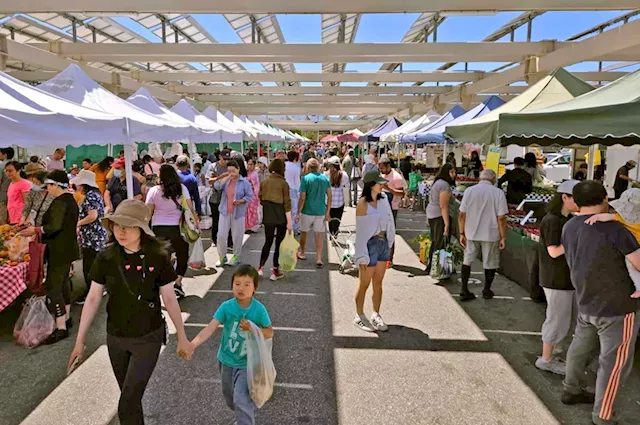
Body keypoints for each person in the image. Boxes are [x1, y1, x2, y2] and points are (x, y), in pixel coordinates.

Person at [68, 200, 191, 425]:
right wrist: (80, 340)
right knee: (131, 401)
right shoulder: (106, 256)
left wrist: (182, 336)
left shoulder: (158, 255)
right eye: (117, 225)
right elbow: (93, 297)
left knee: (128, 400)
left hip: (148, 337)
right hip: (116, 336)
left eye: (128, 226)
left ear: (142, 229)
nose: (121, 231)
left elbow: (170, 298)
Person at [560, 180, 640, 425]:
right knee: (614, 363)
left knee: (579, 348)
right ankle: (603, 415)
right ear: (604, 199)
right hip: (619, 308)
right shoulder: (616, 230)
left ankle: (570, 388)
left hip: (586, 301)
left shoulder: (569, 227)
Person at [186, 265, 273, 425]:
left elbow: (269, 332)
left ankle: (244, 419)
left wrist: (253, 329)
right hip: (226, 361)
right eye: (237, 283)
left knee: (241, 399)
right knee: (230, 397)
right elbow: (210, 327)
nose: (241, 288)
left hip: (247, 364)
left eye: (247, 284)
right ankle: (242, 413)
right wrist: (193, 344)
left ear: (255, 288)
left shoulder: (259, 310)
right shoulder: (227, 307)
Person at [20, 170, 79, 344]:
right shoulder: (69, 199)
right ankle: (66, 318)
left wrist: (36, 230)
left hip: (59, 249)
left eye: (49, 185)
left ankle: (60, 328)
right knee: (63, 285)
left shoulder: (60, 202)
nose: (47, 188)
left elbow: (53, 226)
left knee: (54, 286)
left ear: (55, 185)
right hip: (67, 249)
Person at [535, 180, 580, 376]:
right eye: (577, 199)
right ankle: (546, 360)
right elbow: (553, 251)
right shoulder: (552, 220)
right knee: (556, 319)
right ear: (564, 197)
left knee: (563, 319)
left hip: (565, 278)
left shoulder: (566, 218)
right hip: (556, 278)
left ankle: (553, 355)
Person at [146, 164, 198, 299]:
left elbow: (148, 213)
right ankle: (178, 283)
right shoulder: (182, 189)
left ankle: (163, 285)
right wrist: (195, 222)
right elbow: (190, 208)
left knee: (163, 258)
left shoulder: (153, 191)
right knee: (182, 253)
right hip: (176, 229)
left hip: (158, 229)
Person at [353, 171, 396, 332]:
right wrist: (361, 254)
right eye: (379, 183)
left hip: (383, 243)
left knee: (378, 282)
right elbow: (361, 231)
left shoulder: (384, 199)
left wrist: (390, 242)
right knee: (364, 283)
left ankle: (375, 313)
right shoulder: (363, 203)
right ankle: (359, 315)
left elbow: (390, 220)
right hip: (369, 244)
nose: (382, 185)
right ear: (371, 185)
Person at [458, 169, 508, 301]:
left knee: (467, 260)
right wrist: (503, 236)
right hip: (490, 233)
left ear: (480, 178)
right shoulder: (498, 193)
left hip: (471, 231)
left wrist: (461, 232)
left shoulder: (469, 191)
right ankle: (486, 290)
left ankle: (464, 289)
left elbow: (462, 214)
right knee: (490, 262)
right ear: (493, 179)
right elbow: (501, 217)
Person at [585, 188, 640, 298]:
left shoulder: (620, 217)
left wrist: (595, 217)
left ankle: (639, 287)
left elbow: (605, 217)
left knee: (631, 267)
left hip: (634, 247)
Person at [71, 170, 108, 305]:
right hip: (94, 235)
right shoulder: (94, 195)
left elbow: (92, 216)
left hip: (92, 236)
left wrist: (78, 223)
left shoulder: (90, 196)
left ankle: (92, 292)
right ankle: (98, 289)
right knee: (93, 264)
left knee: (90, 266)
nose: (77, 187)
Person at [258, 159, 293, 281]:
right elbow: (287, 204)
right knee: (278, 244)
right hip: (281, 217)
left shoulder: (264, 182)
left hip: (268, 216)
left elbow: (260, 199)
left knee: (267, 241)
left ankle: (260, 268)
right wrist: (290, 222)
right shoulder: (284, 184)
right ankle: (275, 271)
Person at [214, 159, 253, 267]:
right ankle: (222, 257)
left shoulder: (244, 182)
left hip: (238, 212)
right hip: (224, 211)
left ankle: (236, 256)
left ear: (238, 169)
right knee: (221, 235)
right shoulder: (226, 180)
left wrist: (241, 201)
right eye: (229, 170)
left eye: (233, 171)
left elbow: (250, 196)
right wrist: (226, 177)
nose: (232, 173)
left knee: (237, 236)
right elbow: (217, 186)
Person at [297, 158, 331, 268]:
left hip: (307, 210)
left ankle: (302, 252)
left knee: (304, 232)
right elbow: (330, 196)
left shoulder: (305, 179)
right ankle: (319, 257)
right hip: (320, 210)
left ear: (308, 167)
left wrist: (298, 212)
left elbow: (302, 197)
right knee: (319, 235)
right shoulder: (325, 179)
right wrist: (328, 211)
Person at [426, 163, 455, 273]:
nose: (454, 174)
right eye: (452, 172)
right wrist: (447, 224)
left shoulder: (438, 182)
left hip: (433, 214)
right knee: (439, 242)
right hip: (439, 216)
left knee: (435, 241)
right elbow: (443, 206)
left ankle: (433, 265)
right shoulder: (444, 185)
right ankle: (436, 267)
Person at [378, 156, 406, 268]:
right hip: (382, 206)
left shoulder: (396, 177)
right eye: (380, 169)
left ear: (388, 166)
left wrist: (388, 188)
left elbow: (401, 193)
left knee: (390, 232)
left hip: (392, 208)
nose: (381, 171)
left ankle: (390, 258)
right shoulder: (383, 175)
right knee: (381, 232)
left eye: (382, 169)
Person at [207, 150, 230, 243]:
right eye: (224, 159)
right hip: (215, 197)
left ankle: (229, 240)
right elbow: (209, 180)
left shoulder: (230, 167)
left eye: (228, 159)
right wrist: (220, 177)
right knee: (216, 220)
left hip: (227, 197)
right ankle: (214, 238)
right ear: (220, 157)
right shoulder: (213, 166)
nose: (226, 161)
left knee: (228, 220)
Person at [326, 156, 349, 238]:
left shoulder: (326, 175)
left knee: (330, 219)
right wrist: (347, 202)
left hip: (329, 202)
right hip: (340, 202)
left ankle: (331, 233)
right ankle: (334, 233)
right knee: (337, 219)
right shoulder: (344, 175)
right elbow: (346, 189)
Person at [285, 151, 302, 235]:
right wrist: (299, 193)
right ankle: (294, 229)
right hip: (293, 189)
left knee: (285, 210)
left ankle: (287, 228)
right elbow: (297, 182)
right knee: (294, 210)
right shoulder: (296, 168)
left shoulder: (284, 165)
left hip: (284, 189)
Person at [0, 147, 15, 224]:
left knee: (3, 213)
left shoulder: (1, 166)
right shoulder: (15, 165)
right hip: (13, 192)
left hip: (3, 193)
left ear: (4, 155)